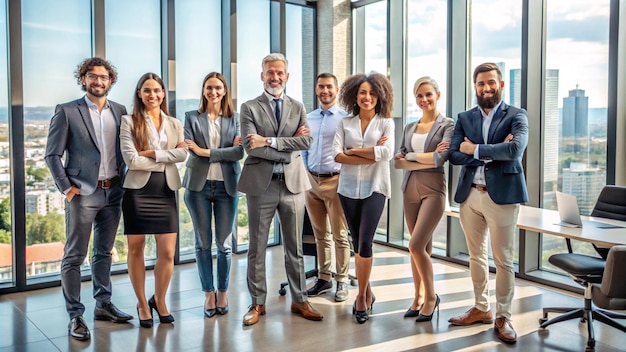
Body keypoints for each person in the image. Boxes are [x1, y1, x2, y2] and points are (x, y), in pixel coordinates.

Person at [45, 57, 133, 341]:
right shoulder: (67, 111)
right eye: (92, 76)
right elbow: (52, 154)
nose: (98, 81)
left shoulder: (120, 111)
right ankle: (75, 315)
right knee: (74, 256)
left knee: (104, 252)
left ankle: (103, 304)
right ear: (83, 79)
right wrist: (67, 188)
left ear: (110, 81)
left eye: (103, 77)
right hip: (83, 192)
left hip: (114, 190)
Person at [237, 53, 323, 326]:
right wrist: (287, 149)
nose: (275, 77)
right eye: (269, 72)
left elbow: (307, 141)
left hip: (293, 186)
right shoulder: (249, 107)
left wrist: (270, 141)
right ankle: (257, 303)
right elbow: (252, 147)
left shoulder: (298, 107)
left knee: (295, 247)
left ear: (287, 76)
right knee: (257, 247)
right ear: (262, 75)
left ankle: (300, 300)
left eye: (279, 73)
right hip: (260, 187)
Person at [447, 63, 528, 344]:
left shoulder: (517, 115)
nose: (486, 88)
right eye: (481, 84)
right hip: (470, 195)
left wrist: (475, 148)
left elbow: (515, 149)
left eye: (491, 82)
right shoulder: (464, 117)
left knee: (503, 259)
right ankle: (482, 308)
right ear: (475, 86)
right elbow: (455, 154)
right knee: (476, 256)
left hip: (502, 197)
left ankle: (503, 316)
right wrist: (492, 152)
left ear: (501, 85)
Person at [120, 72, 188, 328]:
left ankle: (159, 300)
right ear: (139, 93)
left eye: (157, 90)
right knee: (136, 249)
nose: (153, 95)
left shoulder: (174, 123)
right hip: (137, 192)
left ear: (163, 94)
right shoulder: (128, 121)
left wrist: (153, 153)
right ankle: (141, 302)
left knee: (167, 253)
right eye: (147, 90)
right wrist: (165, 156)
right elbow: (131, 160)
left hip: (165, 190)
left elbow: (183, 155)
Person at [333, 72, 394, 324]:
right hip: (347, 188)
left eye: (371, 92)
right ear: (354, 96)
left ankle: (360, 297)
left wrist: (354, 151)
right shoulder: (345, 123)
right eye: (362, 92)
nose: (367, 97)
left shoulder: (386, 123)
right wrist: (370, 152)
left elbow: (386, 153)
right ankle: (368, 292)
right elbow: (337, 155)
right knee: (356, 242)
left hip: (375, 187)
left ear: (379, 96)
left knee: (366, 242)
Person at [182, 72, 244, 318]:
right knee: (203, 245)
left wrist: (205, 150)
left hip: (227, 188)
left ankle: (223, 292)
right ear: (203, 90)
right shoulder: (191, 118)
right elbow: (191, 151)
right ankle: (209, 294)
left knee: (225, 246)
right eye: (209, 87)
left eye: (218, 87)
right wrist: (221, 151)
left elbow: (239, 152)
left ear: (225, 90)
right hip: (197, 187)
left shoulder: (236, 119)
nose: (213, 92)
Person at [394, 76, 454, 322]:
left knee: (415, 245)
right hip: (410, 189)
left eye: (428, 94)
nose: (424, 99)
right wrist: (425, 156)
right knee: (420, 248)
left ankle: (431, 297)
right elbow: (398, 162)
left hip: (433, 190)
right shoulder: (409, 127)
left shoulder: (447, 125)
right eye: (419, 95)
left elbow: (440, 159)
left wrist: (413, 158)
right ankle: (417, 297)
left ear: (438, 95)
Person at [302, 73, 351, 302]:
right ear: (316, 89)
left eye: (329, 87)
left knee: (340, 235)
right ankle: (324, 278)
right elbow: (304, 147)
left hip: (335, 180)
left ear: (336, 89)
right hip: (311, 180)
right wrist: (305, 172)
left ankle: (342, 279)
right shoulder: (308, 118)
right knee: (320, 234)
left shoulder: (345, 118)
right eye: (321, 86)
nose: (325, 91)